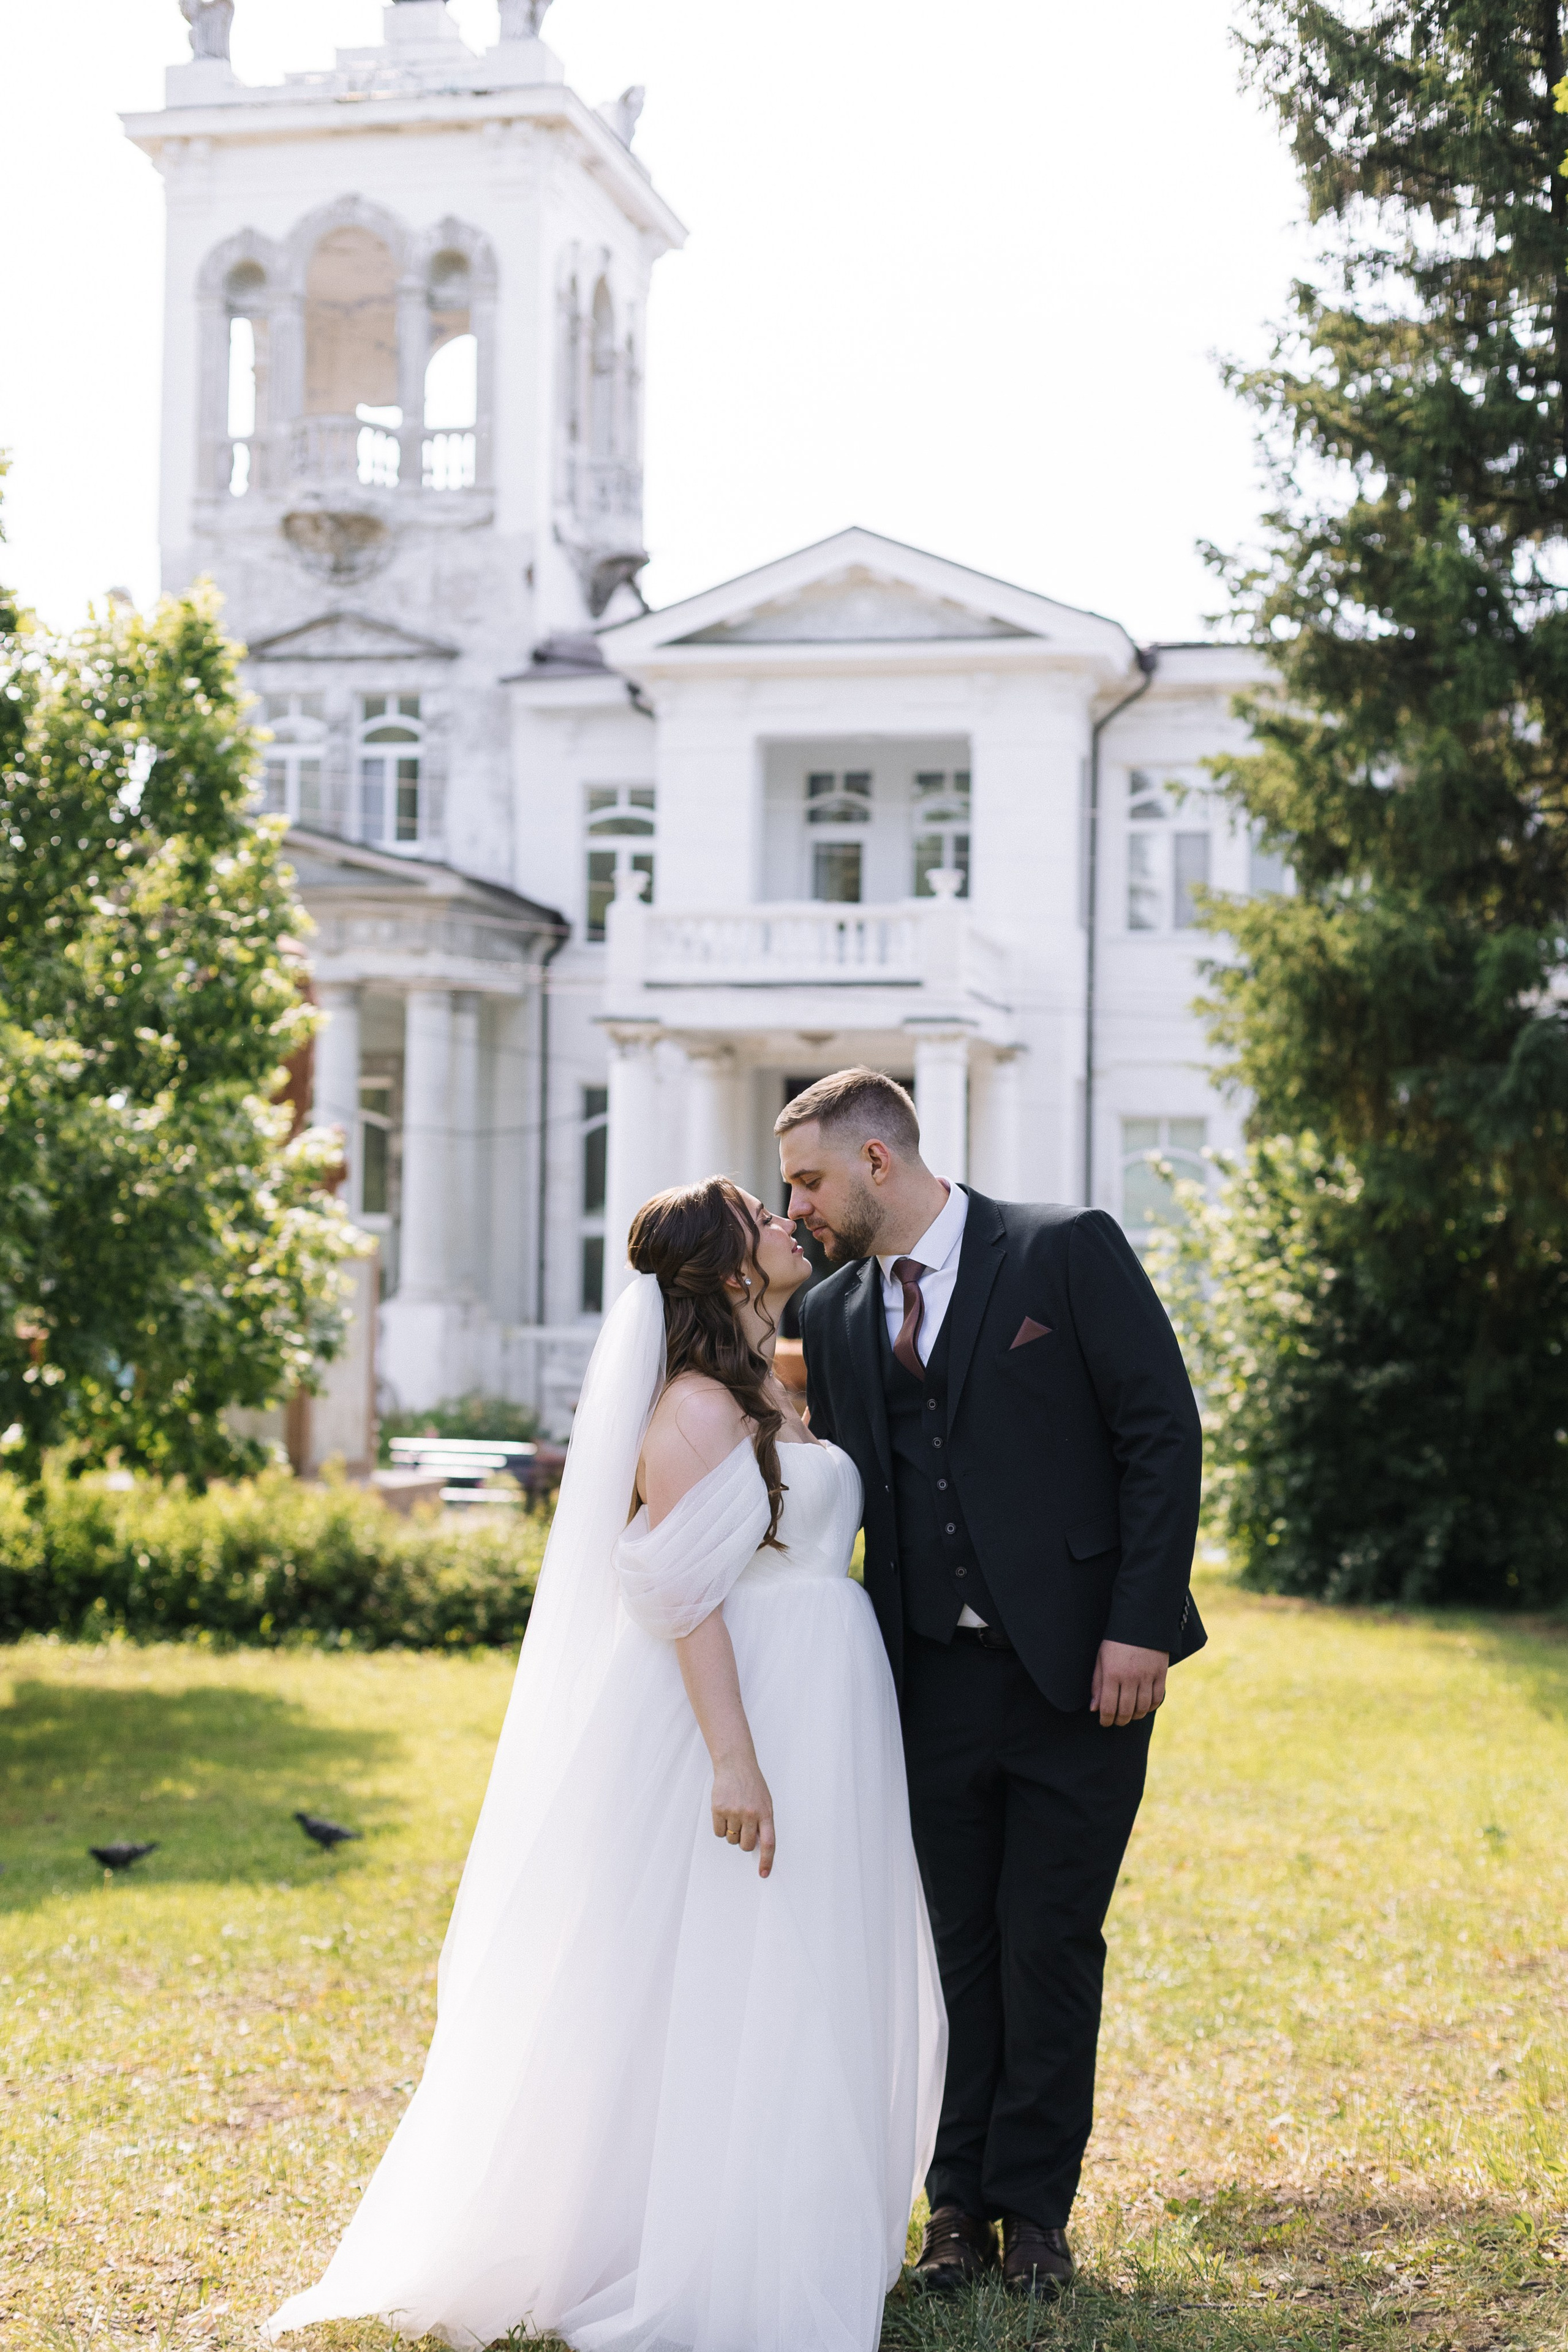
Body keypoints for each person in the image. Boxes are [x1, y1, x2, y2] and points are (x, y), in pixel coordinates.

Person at [266, 1177, 944, 2352]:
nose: (788, 1223)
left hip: (831, 1699)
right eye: (762, 1221)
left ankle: (805, 2210)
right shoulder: (689, 1411)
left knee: (817, 1949)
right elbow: (682, 1597)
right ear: (733, 1271)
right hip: (760, 1706)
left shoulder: (767, 1385)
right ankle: (712, 2243)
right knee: (752, 1956)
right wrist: (735, 1761)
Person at [781, 1069, 1204, 2296]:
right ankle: (952, 2210)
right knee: (955, 1949)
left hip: (1082, 1676)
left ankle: (1034, 2217)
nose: (794, 1205)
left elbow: (1157, 1434)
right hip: (923, 1683)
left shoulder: (1062, 1248)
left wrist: (1134, 1628)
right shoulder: (843, 1312)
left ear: (873, 1162)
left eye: (806, 1179)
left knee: (1049, 1944)